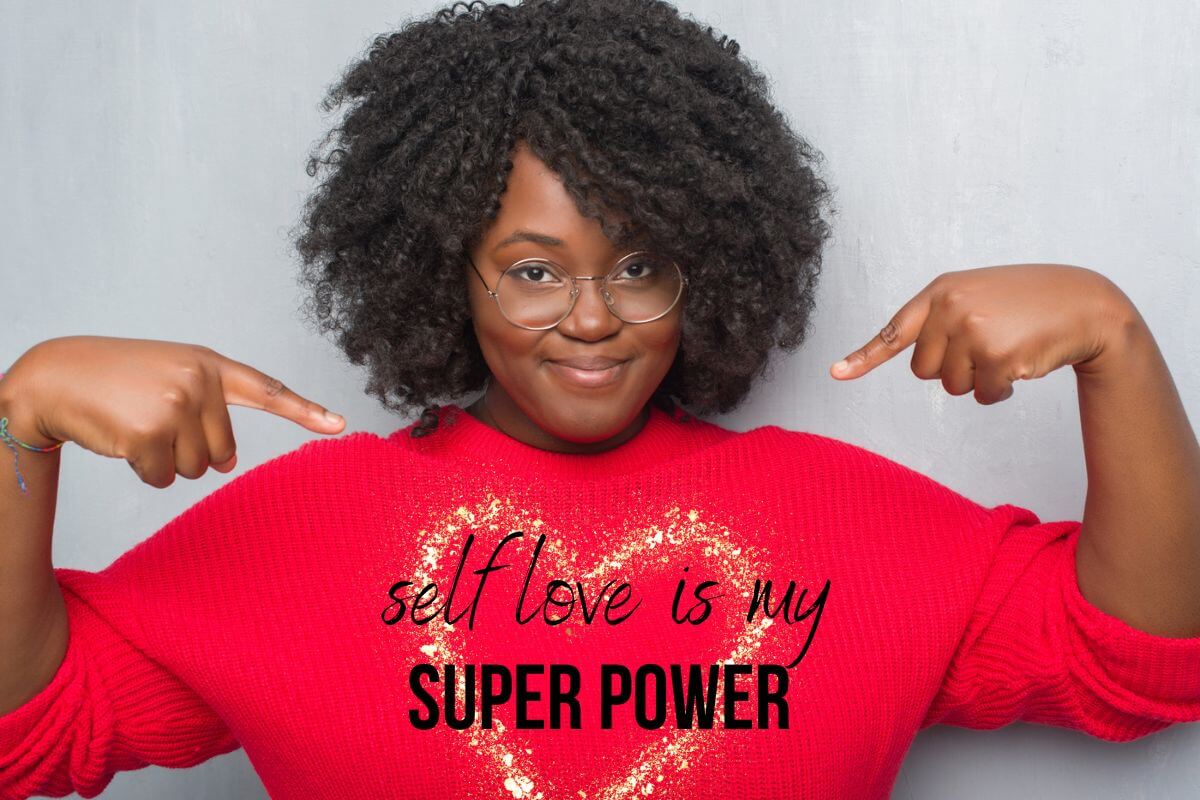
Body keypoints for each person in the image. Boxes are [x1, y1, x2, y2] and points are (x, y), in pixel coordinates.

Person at [1, 0, 1198, 798]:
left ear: (711, 261)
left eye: (639, 264)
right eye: (533, 270)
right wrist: (19, 421)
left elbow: (1147, 660)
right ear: (438, 266)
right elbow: (27, 732)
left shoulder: (850, 521)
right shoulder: (289, 536)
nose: (590, 315)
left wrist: (1119, 341)